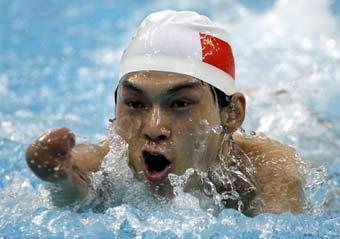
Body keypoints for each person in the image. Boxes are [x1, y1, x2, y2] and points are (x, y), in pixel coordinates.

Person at [26, 10, 305, 215]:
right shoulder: (112, 160)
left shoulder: (268, 170)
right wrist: (58, 177)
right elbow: (77, 186)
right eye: (135, 104)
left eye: (180, 103)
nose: (154, 127)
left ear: (231, 113)